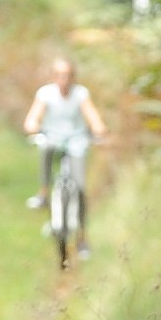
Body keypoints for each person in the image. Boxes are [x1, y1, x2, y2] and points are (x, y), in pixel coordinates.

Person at [23, 55, 107, 247]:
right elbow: (33, 118)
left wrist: (99, 128)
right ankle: (44, 193)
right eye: (60, 75)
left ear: (73, 77)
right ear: (53, 77)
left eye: (68, 75)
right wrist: (32, 126)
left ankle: (82, 236)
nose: (64, 80)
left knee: (80, 188)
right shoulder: (45, 94)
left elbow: (92, 116)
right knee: (45, 148)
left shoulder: (81, 94)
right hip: (53, 139)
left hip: (77, 141)